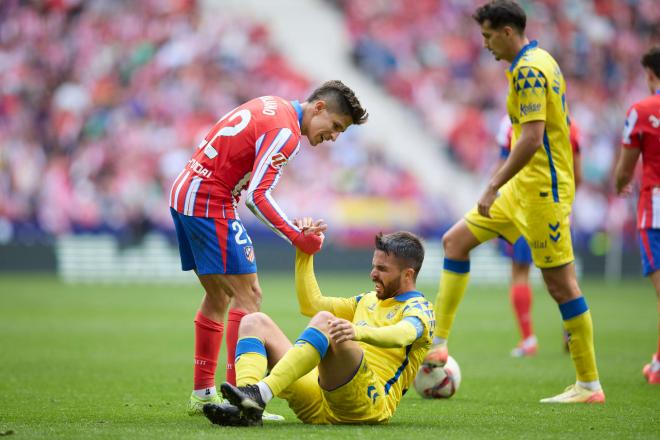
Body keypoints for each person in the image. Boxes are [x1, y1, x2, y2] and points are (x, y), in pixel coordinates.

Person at [424, 0, 605, 403]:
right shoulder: (542, 59)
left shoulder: (527, 69)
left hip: (541, 193)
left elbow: (531, 138)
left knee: (561, 286)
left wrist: (491, 185)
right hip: (522, 192)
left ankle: (589, 385)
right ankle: (438, 343)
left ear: (508, 32)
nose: (485, 44)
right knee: (456, 242)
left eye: (488, 36)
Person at [169, 81, 369, 416]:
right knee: (250, 297)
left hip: (187, 190)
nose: (333, 136)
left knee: (219, 296)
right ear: (318, 107)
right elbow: (257, 197)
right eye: (335, 126)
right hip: (209, 200)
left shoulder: (272, 104)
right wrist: (296, 235)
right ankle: (240, 398)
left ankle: (203, 394)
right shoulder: (287, 133)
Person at [202, 227, 434, 426]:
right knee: (253, 321)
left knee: (326, 321)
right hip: (319, 398)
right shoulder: (367, 300)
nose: (373, 273)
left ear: (408, 275)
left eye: (382, 269)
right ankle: (247, 406)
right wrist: (305, 253)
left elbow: (403, 334)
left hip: (365, 404)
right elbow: (310, 304)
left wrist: (358, 331)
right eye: (374, 266)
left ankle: (261, 393)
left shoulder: (420, 309)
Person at [493, 116, 583, 357]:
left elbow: (503, 166)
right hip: (557, 207)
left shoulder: (511, 122)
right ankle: (572, 331)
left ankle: (528, 339)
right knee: (566, 277)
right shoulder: (569, 124)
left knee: (520, 272)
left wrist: (492, 196)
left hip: (522, 205)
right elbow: (578, 174)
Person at [614, 46, 660, 385]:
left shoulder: (642, 110)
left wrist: (620, 184)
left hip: (655, 208)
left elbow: (626, 167)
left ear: (650, 75)